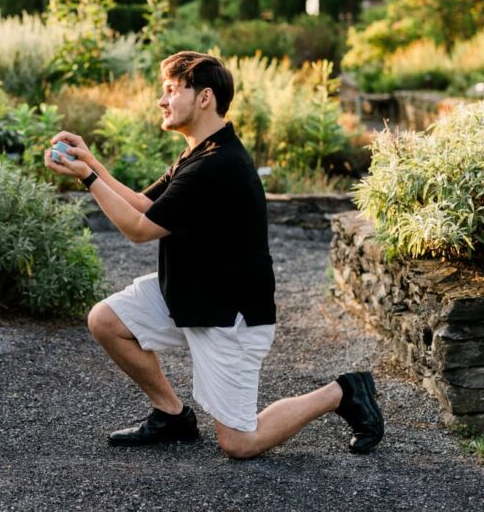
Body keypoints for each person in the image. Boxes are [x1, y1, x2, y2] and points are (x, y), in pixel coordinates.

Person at [44, 52, 383, 459]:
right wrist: (91, 162)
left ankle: (343, 392)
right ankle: (171, 415)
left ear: (204, 98)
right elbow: (140, 203)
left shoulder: (218, 165)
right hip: (190, 294)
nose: (161, 100)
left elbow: (138, 230)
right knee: (106, 320)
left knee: (240, 443)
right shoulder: (199, 153)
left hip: (230, 315)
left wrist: (88, 178)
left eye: (171, 90)